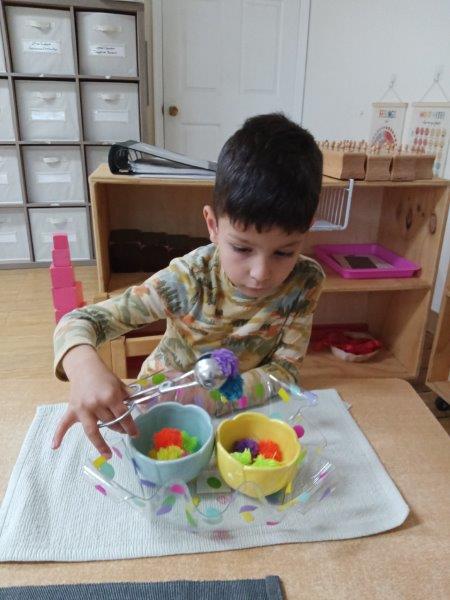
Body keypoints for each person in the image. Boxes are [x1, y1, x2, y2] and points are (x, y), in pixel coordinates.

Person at [52, 112, 324, 457]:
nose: (260, 273)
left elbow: (285, 372)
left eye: (284, 252)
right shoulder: (189, 279)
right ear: (213, 225)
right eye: (242, 248)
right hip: (160, 406)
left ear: (307, 229)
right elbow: (78, 321)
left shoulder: (305, 282)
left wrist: (208, 397)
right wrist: (83, 368)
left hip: (245, 412)